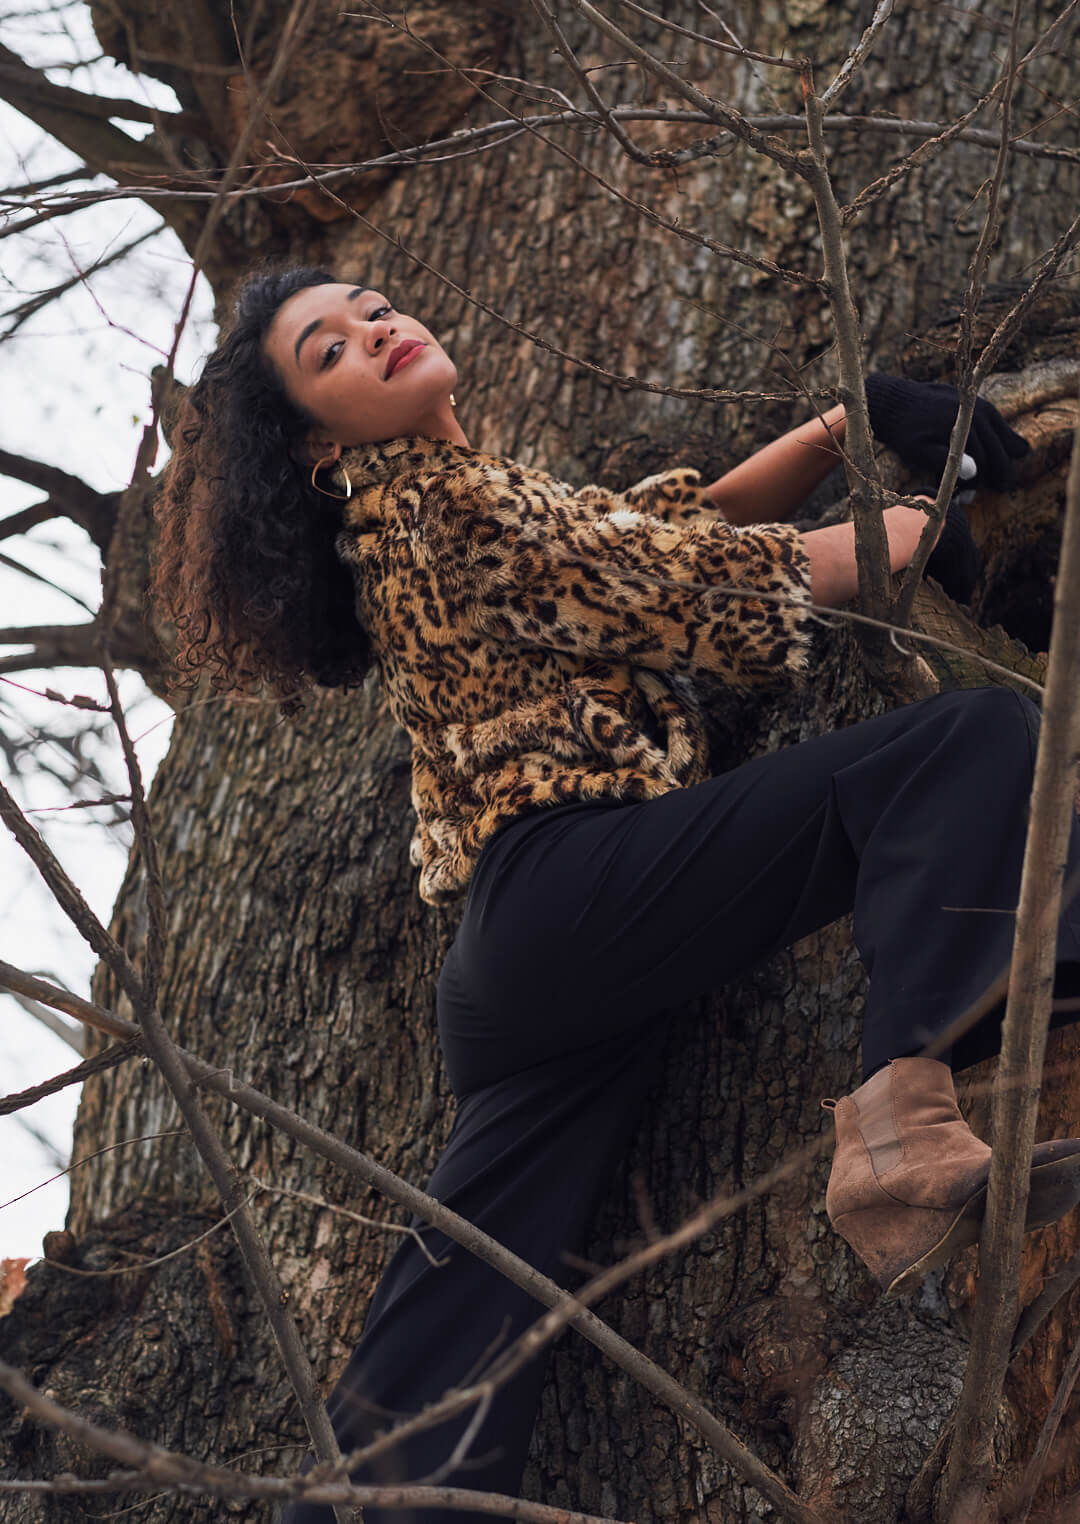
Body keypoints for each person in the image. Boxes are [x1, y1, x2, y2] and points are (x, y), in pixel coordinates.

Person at [152, 266, 1080, 1524]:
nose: (376, 327)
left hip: (534, 959)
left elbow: (658, 532)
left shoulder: (460, 512)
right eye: (331, 349)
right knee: (969, 744)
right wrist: (914, 525)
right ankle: (904, 1136)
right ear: (321, 446)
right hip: (564, 888)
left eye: (372, 305)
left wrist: (834, 429)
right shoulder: (440, 509)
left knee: (460, 1321)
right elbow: (702, 592)